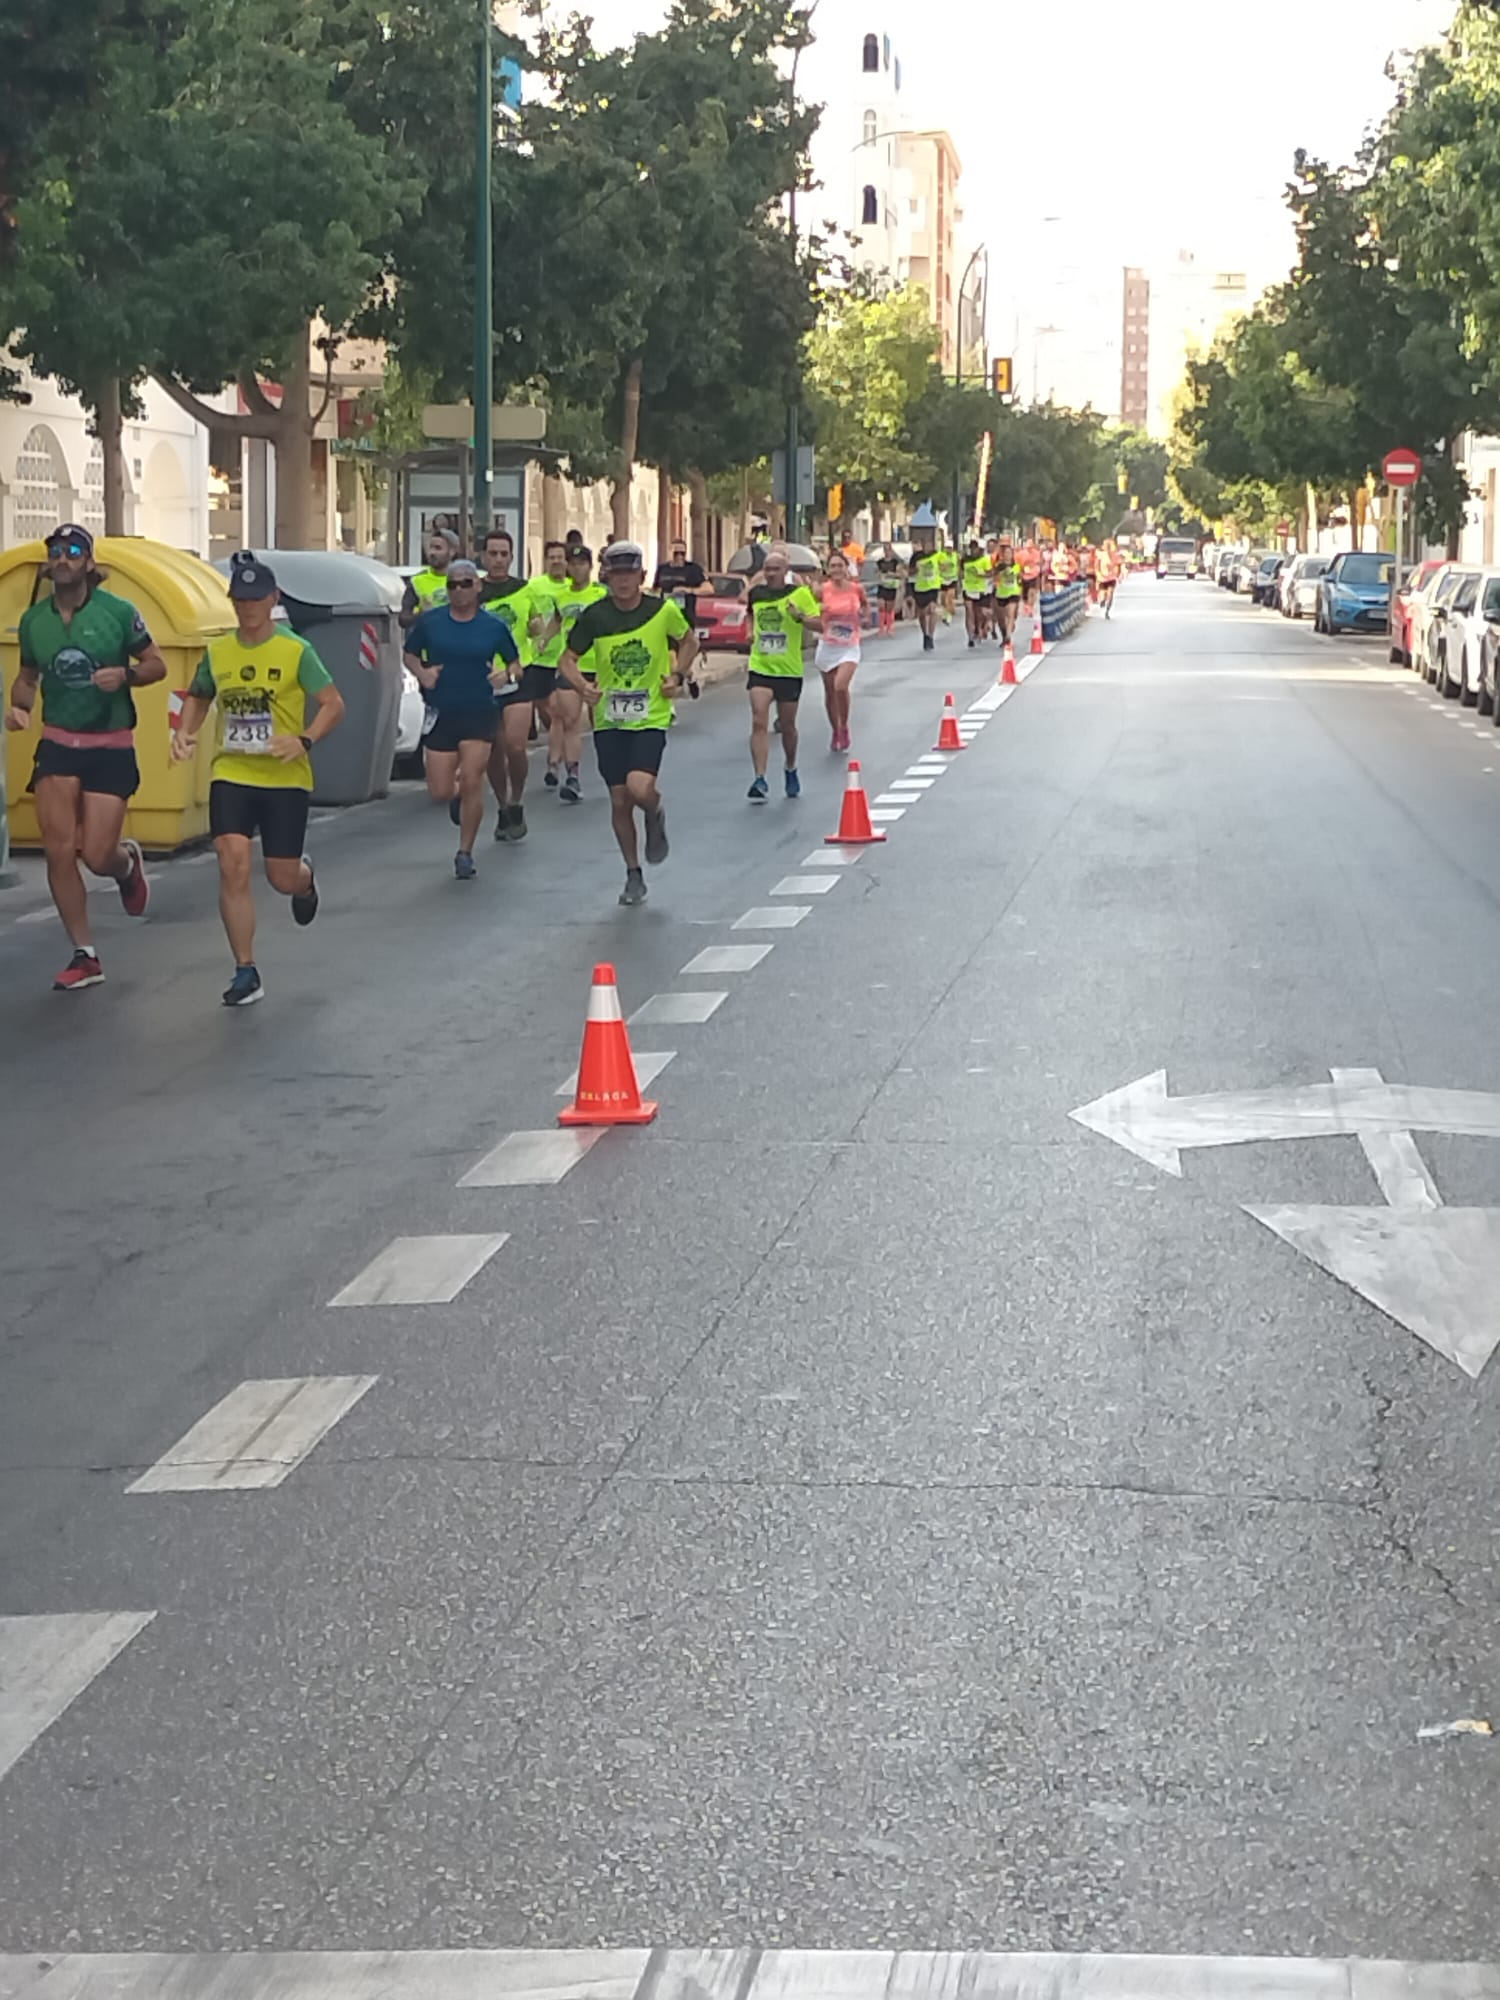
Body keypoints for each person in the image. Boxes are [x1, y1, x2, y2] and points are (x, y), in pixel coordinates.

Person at [171, 552, 345, 1007]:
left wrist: (304, 740)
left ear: (273, 599)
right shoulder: (218, 651)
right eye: (239, 599)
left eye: (255, 599)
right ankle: (245, 969)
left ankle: (304, 880)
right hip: (232, 769)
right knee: (232, 862)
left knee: (280, 878)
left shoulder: (294, 650)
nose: (246, 608)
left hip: (284, 776)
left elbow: (333, 704)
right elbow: (199, 696)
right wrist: (184, 734)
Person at [5, 523, 164, 991]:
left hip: (110, 743)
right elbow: (27, 676)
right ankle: (85, 953)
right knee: (57, 849)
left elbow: (157, 664)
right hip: (58, 743)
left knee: (95, 854)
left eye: (74, 551)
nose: (63, 558)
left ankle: (125, 865)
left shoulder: (119, 612)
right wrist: (19, 706)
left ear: (89, 563)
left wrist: (126, 676)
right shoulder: (36, 620)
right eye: (56, 551)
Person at [556, 540, 698, 906]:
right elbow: (567, 659)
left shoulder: (661, 610)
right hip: (609, 718)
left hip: (650, 713)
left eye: (629, 574)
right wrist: (582, 687)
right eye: (616, 574)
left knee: (639, 787)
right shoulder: (595, 616)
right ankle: (633, 872)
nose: (623, 581)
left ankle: (654, 810)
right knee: (619, 800)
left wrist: (678, 675)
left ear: (641, 576)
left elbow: (689, 641)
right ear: (607, 577)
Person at [402, 557, 519, 881]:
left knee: (472, 777)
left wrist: (504, 674)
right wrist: (423, 674)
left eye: (466, 583)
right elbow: (409, 653)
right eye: (453, 584)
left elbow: (515, 664)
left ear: (478, 586)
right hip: (442, 711)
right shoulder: (432, 622)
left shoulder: (493, 626)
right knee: (440, 790)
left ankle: (465, 852)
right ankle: (456, 797)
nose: (459, 590)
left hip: (479, 709)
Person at [745, 544, 821, 799]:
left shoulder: (799, 594)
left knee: (788, 726)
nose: (771, 573)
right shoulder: (756, 594)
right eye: (767, 569)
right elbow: (750, 615)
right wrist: (749, 630)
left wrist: (800, 616)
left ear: (786, 570)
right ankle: (760, 778)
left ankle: (790, 767)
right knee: (758, 720)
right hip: (761, 666)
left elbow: (820, 624)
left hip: (788, 670)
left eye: (776, 569)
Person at [533, 542, 606, 801]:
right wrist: (544, 638)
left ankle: (612, 768)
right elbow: (557, 620)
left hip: (599, 667)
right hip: (571, 667)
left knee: (603, 723)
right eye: (571, 564)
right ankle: (572, 776)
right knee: (569, 720)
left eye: (581, 564)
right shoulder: (562, 596)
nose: (576, 569)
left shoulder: (601, 594)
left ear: (590, 566)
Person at [476, 527, 533, 841]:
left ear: (512, 557)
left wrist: (540, 635)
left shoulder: (526, 591)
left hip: (518, 677)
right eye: (492, 554)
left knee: (515, 745)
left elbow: (544, 624)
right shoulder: (473, 593)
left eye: (504, 554)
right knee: (494, 751)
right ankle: (503, 806)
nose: (498, 560)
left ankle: (518, 799)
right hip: (483, 682)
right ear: (484, 557)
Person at [815, 547, 867, 753]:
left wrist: (862, 616)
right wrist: (817, 612)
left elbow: (864, 606)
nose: (836, 569)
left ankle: (844, 726)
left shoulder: (856, 589)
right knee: (829, 693)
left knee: (840, 686)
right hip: (828, 645)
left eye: (840, 565)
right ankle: (835, 729)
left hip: (849, 645)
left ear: (846, 568)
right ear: (828, 569)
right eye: (832, 566)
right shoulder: (822, 590)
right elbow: (810, 610)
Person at [400, 527, 461, 629]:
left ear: (452, 552)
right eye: (430, 547)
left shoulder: (464, 579)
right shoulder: (417, 581)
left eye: (438, 548)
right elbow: (403, 620)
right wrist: (421, 614)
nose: (432, 553)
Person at [653, 538, 707, 631]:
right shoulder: (662, 569)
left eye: (682, 553)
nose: (679, 556)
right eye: (676, 553)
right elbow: (656, 589)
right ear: (669, 552)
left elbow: (708, 589)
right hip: (666, 615)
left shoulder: (693, 569)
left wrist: (688, 590)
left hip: (685, 616)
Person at [991, 535, 1024, 651]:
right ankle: (1005, 635)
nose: (1006, 554)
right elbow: (993, 574)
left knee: (1010, 615)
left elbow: (1021, 575)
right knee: (1002, 618)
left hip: (1013, 592)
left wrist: (1020, 578)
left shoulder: (1016, 563)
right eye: (1004, 550)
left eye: (1008, 551)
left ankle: (1008, 637)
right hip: (1001, 592)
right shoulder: (997, 561)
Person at [911, 543, 943, 651]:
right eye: (925, 545)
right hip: (920, 588)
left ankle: (931, 636)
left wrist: (942, 568)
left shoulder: (937, 555)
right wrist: (916, 569)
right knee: (922, 614)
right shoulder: (916, 557)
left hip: (933, 586)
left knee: (932, 610)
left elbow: (944, 566)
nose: (927, 547)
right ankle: (925, 634)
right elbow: (910, 572)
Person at [962, 540, 993, 647]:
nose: (973, 550)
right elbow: (960, 573)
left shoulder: (985, 560)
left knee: (980, 613)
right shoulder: (965, 560)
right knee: (969, 612)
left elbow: (990, 574)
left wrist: (980, 575)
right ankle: (970, 636)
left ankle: (979, 627)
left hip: (981, 589)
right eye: (971, 548)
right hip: (968, 589)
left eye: (975, 548)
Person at [874, 542, 902, 636]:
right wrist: (879, 574)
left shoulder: (895, 562)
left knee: (889, 608)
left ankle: (890, 627)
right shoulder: (880, 562)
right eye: (885, 550)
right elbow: (877, 572)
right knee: (881, 606)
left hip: (891, 586)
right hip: (882, 585)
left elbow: (900, 574)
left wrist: (891, 574)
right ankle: (881, 628)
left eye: (888, 549)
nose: (887, 552)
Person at [1097, 539, 1121, 617]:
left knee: (1110, 594)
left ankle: (1107, 611)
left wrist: (1118, 574)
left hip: (1111, 577)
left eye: (1109, 546)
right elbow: (1097, 566)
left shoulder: (1115, 555)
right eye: (1106, 546)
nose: (1108, 548)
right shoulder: (1100, 555)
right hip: (1102, 578)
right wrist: (1099, 574)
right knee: (1103, 595)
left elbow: (1119, 565)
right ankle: (1102, 601)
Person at [937, 541, 959, 624]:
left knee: (949, 598)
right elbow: (938, 565)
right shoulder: (941, 555)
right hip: (943, 579)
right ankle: (945, 613)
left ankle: (948, 617)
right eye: (947, 548)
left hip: (952, 579)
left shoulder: (955, 556)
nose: (948, 549)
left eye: (950, 548)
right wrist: (941, 567)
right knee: (943, 600)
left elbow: (959, 565)